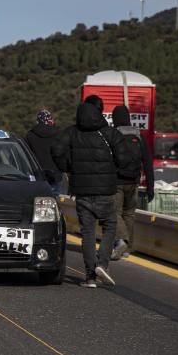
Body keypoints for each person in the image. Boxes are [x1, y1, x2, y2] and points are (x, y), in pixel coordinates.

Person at [52, 96, 133, 288]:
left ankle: (90, 277)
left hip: (81, 190)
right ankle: (103, 263)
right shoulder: (109, 133)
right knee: (109, 226)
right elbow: (125, 159)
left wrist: (68, 167)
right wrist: (114, 169)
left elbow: (56, 149)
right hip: (106, 190)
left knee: (87, 232)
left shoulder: (72, 132)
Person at [110, 105, 155, 260]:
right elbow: (148, 163)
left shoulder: (113, 135)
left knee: (115, 212)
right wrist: (150, 187)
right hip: (134, 182)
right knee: (129, 213)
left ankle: (121, 240)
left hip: (117, 181)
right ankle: (128, 249)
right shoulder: (138, 136)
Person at [25, 109, 64, 196]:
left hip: (37, 174)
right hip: (56, 175)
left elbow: (25, 154)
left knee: (38, 201)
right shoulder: (59, 134)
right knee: (55, 203)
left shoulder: (30, 135)